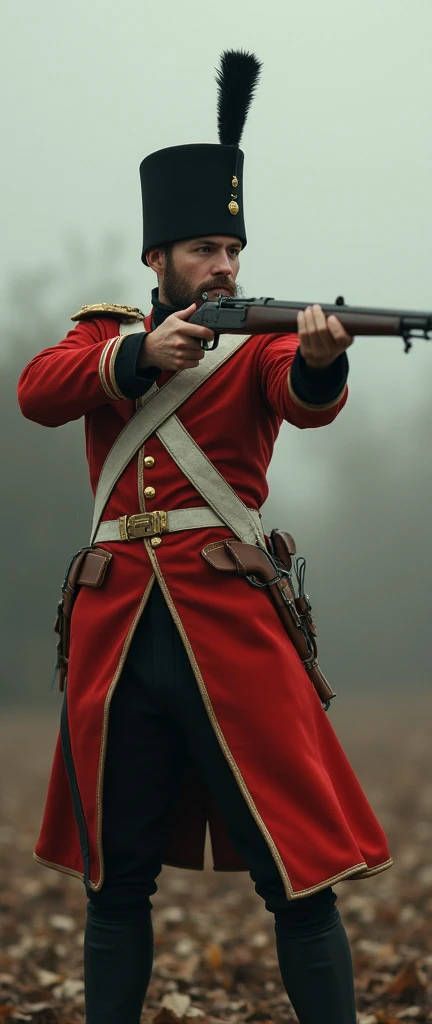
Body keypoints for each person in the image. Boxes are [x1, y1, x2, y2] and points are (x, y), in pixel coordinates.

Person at [17, 51, 392, 1024]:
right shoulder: (104, 339)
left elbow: (301, 401)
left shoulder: (264, 341)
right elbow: (37, 392)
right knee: (115, 886)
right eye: (203, 249)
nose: (224, 265)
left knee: (299, 879)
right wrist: (139, 353)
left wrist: (317, 365)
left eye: (232, 247)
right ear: (159, 261)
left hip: (229, 626)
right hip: (115, 638)